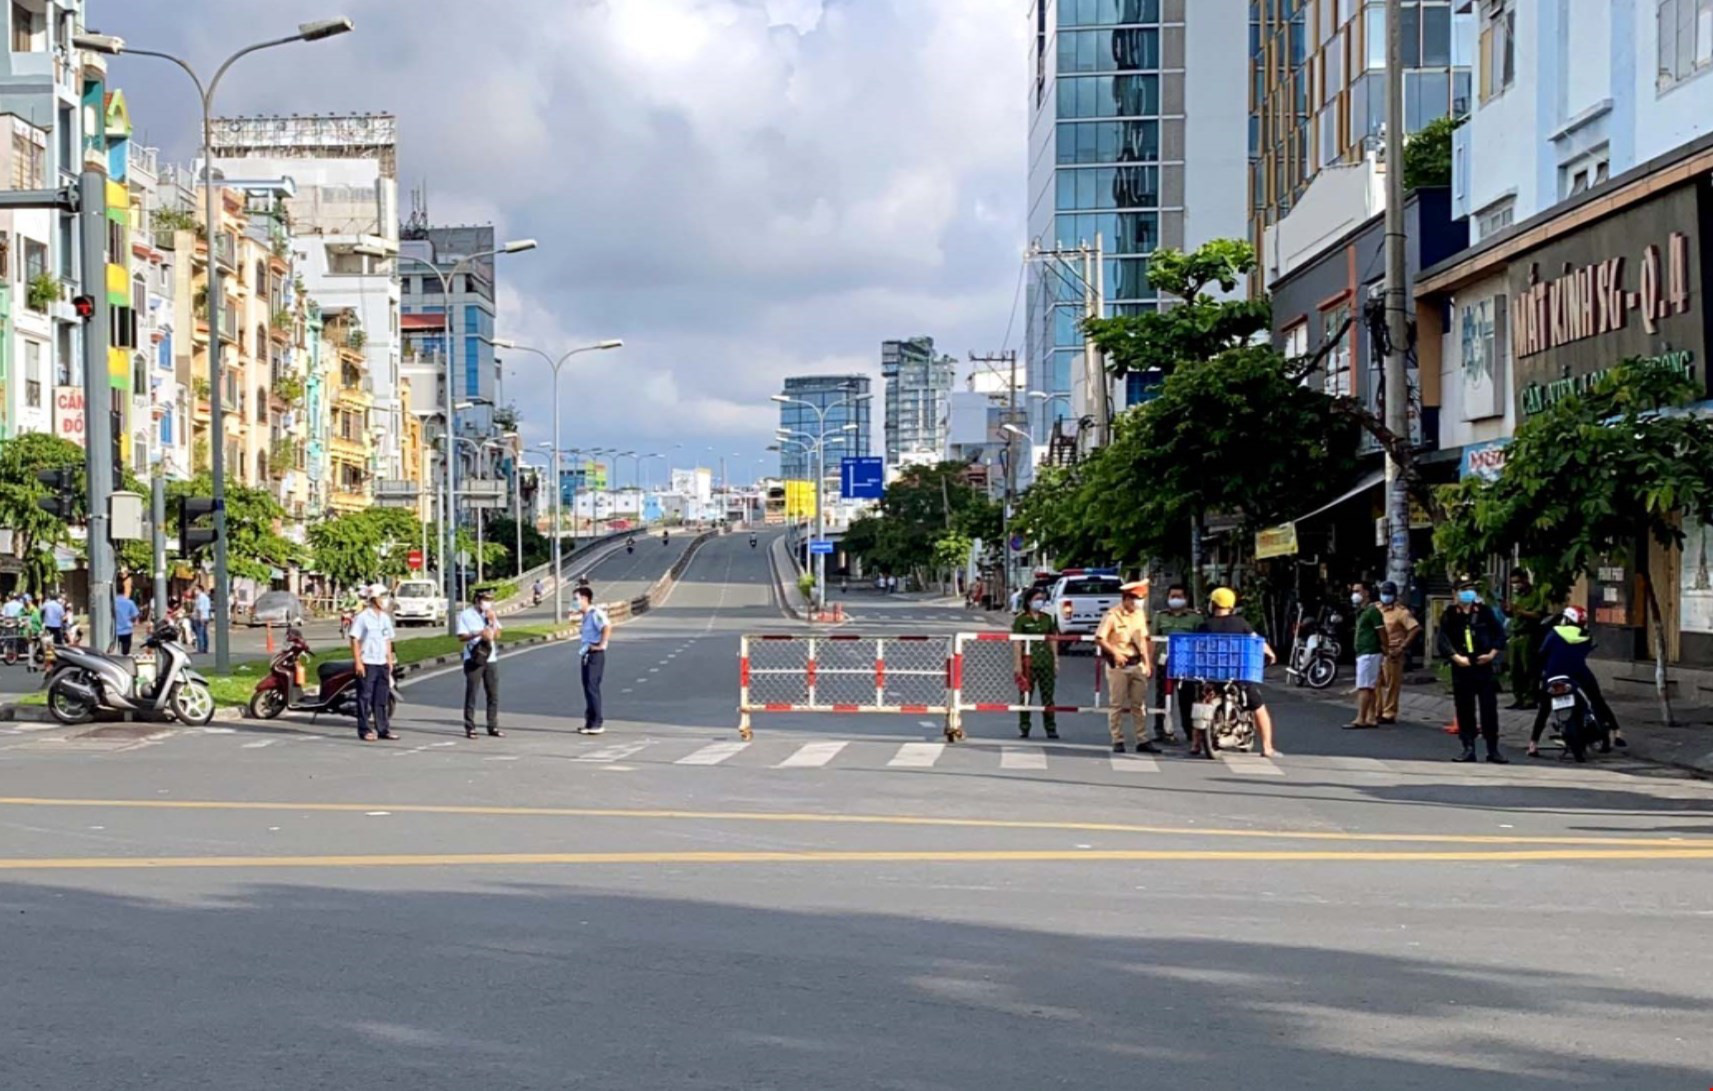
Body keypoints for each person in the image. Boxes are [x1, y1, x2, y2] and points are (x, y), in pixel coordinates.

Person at [1195, 587, 1281, 757]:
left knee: (1202, 702)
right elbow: (1257, 641)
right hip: (1238, 673)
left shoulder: (1205, 625)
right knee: (1258, 707)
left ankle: (1195, 744)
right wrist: (1271, 654)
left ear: (1213, 604)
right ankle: (1267, 747)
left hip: (1213, 674)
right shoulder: (1240, 623)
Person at [1528, 605, 1623, 757]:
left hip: (1553, 674)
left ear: (1566, 619)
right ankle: (1616, 731)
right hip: (1578, 674)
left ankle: (1533, 744)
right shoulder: (1585, 638)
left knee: (1544, 709)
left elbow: (1541, 654)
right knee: (1596, 698)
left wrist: (1538, 674)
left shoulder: (1553, 634)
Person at [1436, 579, 1507, 763]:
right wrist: (1456, 657)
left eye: (1471, 590)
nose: (1468, 593)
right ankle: (1468, 747)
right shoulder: (1450, 614)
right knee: (1464, 708)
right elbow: (1443, 640)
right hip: (1462, 666)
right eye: (1464, 590)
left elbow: (1499, 635)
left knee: (1489, 708)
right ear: (1455, 593)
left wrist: (1491, 655)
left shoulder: (1484, 612)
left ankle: (1493, 749)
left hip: (1483, 664)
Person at [1096, 579, 1159, 754]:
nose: (1137, 603)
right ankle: (1117, 739)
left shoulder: (1139, 615)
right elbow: (1100, 638)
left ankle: (1142, 739)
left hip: (1137, 663)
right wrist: (1115, 653)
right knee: (1116, 704)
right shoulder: (1112, 615)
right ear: (1126, 599)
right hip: (1119, 665)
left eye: (1140, 600)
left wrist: (1147, 663)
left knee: (1139, 704)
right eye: (1135, 599)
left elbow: (1143, 640)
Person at [1150, 583, 1203, 743]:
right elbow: (1152, 639)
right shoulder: (1160, 616)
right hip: (1164, 662)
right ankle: (1161, 731)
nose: (1175, 599)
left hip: (1186, 664)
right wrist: (1149, 662)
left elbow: (1201, 641)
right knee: (1162, 698)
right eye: (1172, 596)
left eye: (1179, 596)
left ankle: (1190, 732)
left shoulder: (1195, 618)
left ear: (1186, 598)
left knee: (1187, 699)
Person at [349, 583, 399, 742]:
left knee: (381, 698)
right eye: (382, 597)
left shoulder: (385, 618)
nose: (385, 600)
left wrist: (389, 660)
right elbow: (354, 639)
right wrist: (358, 662)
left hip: (381, 662)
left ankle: (383, 729)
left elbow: (387, 639)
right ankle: (364, 730)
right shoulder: (362, 617)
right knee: (365, 697)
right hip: (367, 662)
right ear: (374, 599)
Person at [456, 587, 505, 740]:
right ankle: (470, 726)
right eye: (485, 600)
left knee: (493, 694)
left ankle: (492, 725)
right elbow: (461, 636)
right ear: (477, 600)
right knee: (472, 693)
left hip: (490, 658)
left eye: (490, 601)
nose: (488, 603)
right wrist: (478, 633)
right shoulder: (466, 615)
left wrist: (492, 620)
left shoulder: (490, 614)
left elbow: (498, 634)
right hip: (474, 658)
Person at [1011, 591, 1060, 740]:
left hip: (1045, 662)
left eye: (1042, 599)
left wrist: (1056, 660)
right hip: (1028, 664)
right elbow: (1017, 643)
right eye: (1036, 599)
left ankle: (1050, 728)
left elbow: (1052, 639)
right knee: (1026, 696)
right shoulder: (1021, 619)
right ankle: (1024, 727)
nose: (1040, 602)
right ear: (1028, 601)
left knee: (1048, 697)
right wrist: (1018, 664)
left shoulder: (1047, 618)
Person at [1376, 580, 1420, 725]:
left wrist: (1402, 647)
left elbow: (1415, 629)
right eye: (1384, 593)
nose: (1386, 596)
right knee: (1376, 682)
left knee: (1391, 683)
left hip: (1393, 651)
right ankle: (1377, 711)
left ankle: (1388, 713)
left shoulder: (1401, 612)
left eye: (1388, 594)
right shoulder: (1375, 608)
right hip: (1377, 649)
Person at [1504, 570, 1547, 709]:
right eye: (1513, 583)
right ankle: (1519, 698)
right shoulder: (1516, 595)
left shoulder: (1536, 595)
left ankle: (1530, 699)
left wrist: (1521, 612)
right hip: (1515, 634)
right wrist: (1508, 610)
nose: (1515, 585)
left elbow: (1539, 615)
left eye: (1517, 582)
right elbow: (1513, 614)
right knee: (1514, 669)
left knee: (1529, 668)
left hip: (1528, 635)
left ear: (1525, 580)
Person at [574, 585, 611, 735]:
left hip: (595, 654)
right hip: (586, 654)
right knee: (587, 687)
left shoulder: (595, 613)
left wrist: (601, 645)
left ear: (585, 599)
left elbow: (607, 627)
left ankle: (597, 723)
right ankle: (589, 722)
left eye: (576, 599)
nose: (574, 603)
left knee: (592, 687)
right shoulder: (586, 616)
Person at [1347, 582, 1384, 729]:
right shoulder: (1362, 612)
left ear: (1366, 593)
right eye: (1353, 591)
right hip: (1364, 652)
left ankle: (1360, 718)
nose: (1354, 595)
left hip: (1369, 653)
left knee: (1364, 687)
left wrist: (1385, 647)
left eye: (1358, 591)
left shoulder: (1372, 611)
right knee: (1370, 686)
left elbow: (1381, 631)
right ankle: (1371, 717)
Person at [113, 590, 140, 656]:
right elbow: (135, 615)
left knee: (113, 653)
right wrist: (135, 622)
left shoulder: (112, 602)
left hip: (114, 631)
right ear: (124, 591)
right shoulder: (130, 602)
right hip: (126, 630)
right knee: (125, 653)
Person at [191, 584, 212, 655]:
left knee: (200, 633)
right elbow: (208, 608)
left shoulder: (200, 598)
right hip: (206, 617)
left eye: (195, 589)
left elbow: (200, 609)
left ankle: (200, 649)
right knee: (204, 633)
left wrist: (200, 618)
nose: (194, 591)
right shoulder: (206, 597)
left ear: (200, 590)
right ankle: (205, 648)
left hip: (200, 617)